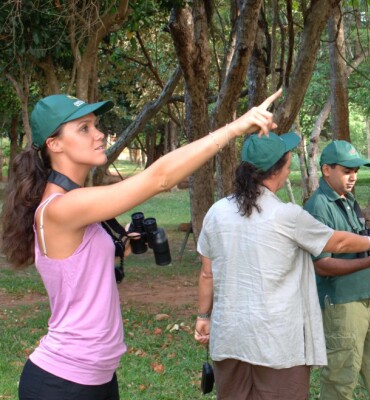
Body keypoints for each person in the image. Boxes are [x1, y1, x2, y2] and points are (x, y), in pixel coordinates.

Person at [1, 89, 285, 400]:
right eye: (84, 128)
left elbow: (81, 267)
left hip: (96, 378)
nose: (99, 134)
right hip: (64, 383)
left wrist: (121, 242)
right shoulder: (60, 207)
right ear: (54, 144)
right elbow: (159, 177)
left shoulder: (74, 205)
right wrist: (235, 127)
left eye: (96, 124)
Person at [194, 133, 370, 399]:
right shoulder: (286, 215)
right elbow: (338, 242)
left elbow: (207, 273)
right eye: (289, 162)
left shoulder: (216, 212)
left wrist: (203, 317)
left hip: (230, 335)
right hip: (276, 341)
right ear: (280, 170)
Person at [302, 140, 370, 400]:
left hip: (368, 298)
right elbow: (322, 265)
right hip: (341, 302)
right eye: (347, 170)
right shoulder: (318, 207)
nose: (353, 176)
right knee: (342, 376)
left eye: (357, 170)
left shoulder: (348, 200)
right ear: (326, 170)